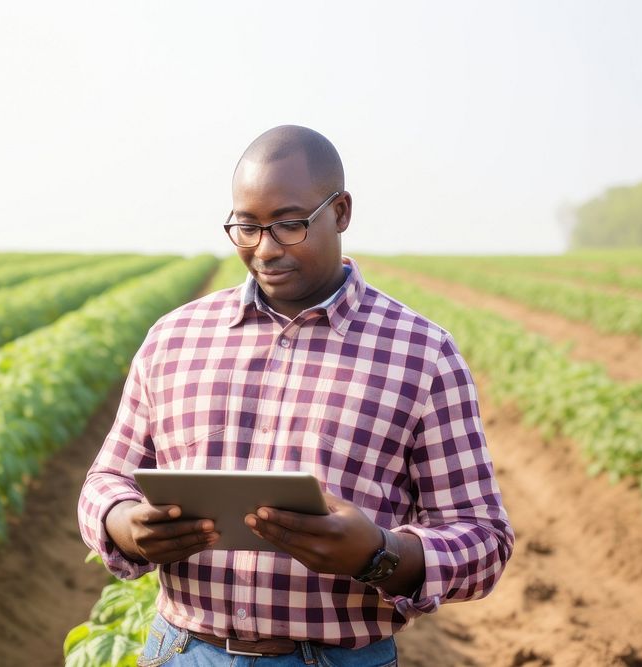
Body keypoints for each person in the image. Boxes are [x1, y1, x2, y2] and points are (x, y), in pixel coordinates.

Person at [78, 125, 514, 665]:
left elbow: (484, 539)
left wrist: (379, 553)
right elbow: (106, 479)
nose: (264, 249)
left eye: (288, 225)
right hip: (184, 650)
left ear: (342, 213)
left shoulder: (422, 354)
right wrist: (124, 524)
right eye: (246, 227)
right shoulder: (173, 338)